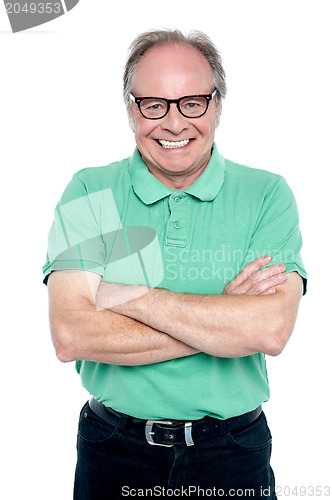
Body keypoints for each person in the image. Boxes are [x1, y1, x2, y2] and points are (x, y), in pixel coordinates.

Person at [43, 29, 307, 499]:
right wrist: (222, 317)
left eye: (192, 103)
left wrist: (127, 297)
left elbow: (268, 331)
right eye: (154, 104)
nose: (174, 122)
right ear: (131, 109)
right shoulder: (89, 190)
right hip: (113, 449)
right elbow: (71, 335)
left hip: (231, 453)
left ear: (217, 106)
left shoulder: (267, 194)